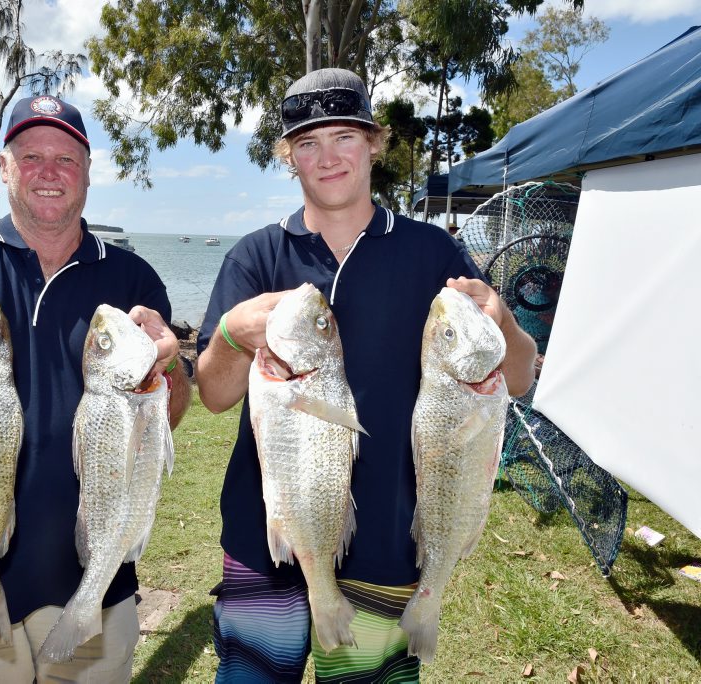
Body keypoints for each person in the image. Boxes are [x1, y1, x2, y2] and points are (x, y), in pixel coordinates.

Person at [195, 68, 536, 682]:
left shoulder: (431, 253)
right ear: (289, 158)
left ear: (373, 143)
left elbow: (516, 379)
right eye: (306, 143)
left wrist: (505, 323)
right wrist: (227, 335)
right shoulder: (254, 256)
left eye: (343, 138)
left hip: (390, 540)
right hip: (267, 530)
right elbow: (215, 395)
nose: (326, 158)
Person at [0, 94, 191, 682]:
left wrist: (169, 368)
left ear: (89, 172)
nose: (49, 172)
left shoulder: (133, 278)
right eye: (31, 156)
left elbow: (166, 419)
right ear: (4, 168)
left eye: (66, 159)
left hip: (96, 578)